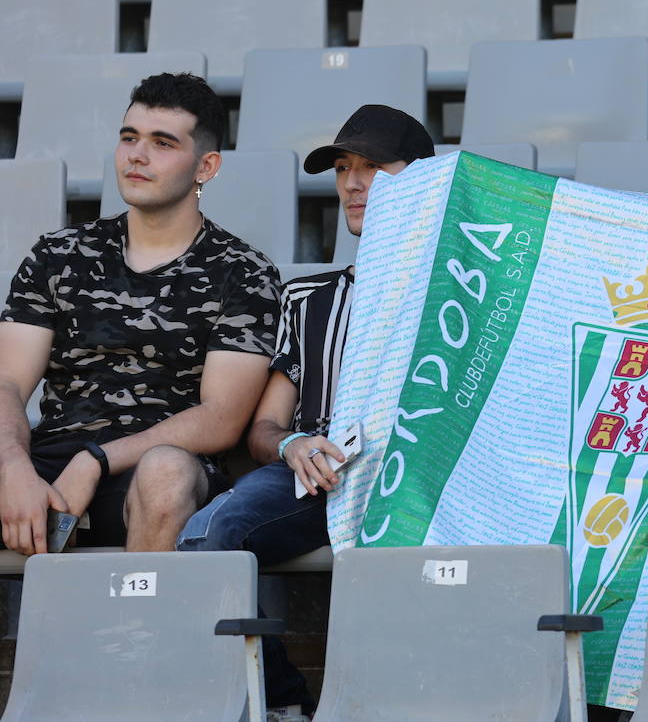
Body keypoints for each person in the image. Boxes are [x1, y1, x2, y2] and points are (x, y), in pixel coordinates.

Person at [177, 104, 435, 710]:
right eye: (344, 167)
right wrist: (293, 445)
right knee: (208, 537)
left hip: (423, 478)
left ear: (424, 180)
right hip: (321, 476)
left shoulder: (465, 290)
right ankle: (285, 700)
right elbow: (264, 427)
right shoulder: (309, 298)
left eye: (373, 166)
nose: (352, 182)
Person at [0, 73, 279, 554]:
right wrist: (12, 466)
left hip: (153, 468)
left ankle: (138, 629)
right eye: (129, 137)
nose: (137, 155)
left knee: (165, 472)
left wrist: (97, 461)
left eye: (162, 143)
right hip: (48, 462)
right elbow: (7, 382)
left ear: (205, 166)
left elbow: (220, 419)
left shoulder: (243, 272)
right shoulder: (58, 254)